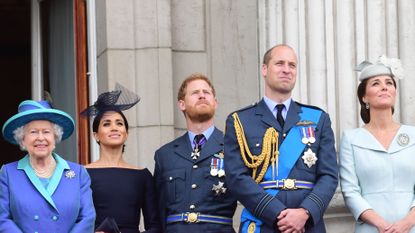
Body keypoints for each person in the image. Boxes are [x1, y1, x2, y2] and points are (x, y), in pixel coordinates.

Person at [224, 44, 338, 233]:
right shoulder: (240, 121)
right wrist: (278, 213)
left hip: (307, 225)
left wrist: (304, 213)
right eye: (280, 63)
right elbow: (236, 177)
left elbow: (329, 176)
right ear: (264, 69)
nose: (287, 70)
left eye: (292, 65)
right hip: (264, 223)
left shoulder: (318, 119)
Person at [339, 55, 415, 233]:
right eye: (376, 83)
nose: (384, 87)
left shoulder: (413, 135)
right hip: (371, 228)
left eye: (389, 83)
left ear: (395, 93)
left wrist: (407, 223)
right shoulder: (351, 139)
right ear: (364, 97)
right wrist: (382, 225)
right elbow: (350, 191)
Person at [154, 73, 237, 232]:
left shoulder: (234, 148)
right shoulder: (165, 155)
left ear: (215, 102)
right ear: (182, 104)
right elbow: (159, 212)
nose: (201, 96)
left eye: (206, 92)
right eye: (195, 93)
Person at [0, 99, 95, 232]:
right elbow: (2, 219)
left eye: (46, 132)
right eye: (33, 132)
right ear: (22, 139)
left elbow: (87, 218)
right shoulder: (8, 173)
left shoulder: (78, 173)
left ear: (55, 137)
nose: (40, 138)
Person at [81, 84, 161, 233]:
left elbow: (155, 226)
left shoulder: (142, 175)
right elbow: (74, 220)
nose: (114, 128)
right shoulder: (82, 173)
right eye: (106, 124)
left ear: (126, 133)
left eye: (119, 123)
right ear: (95, 135)